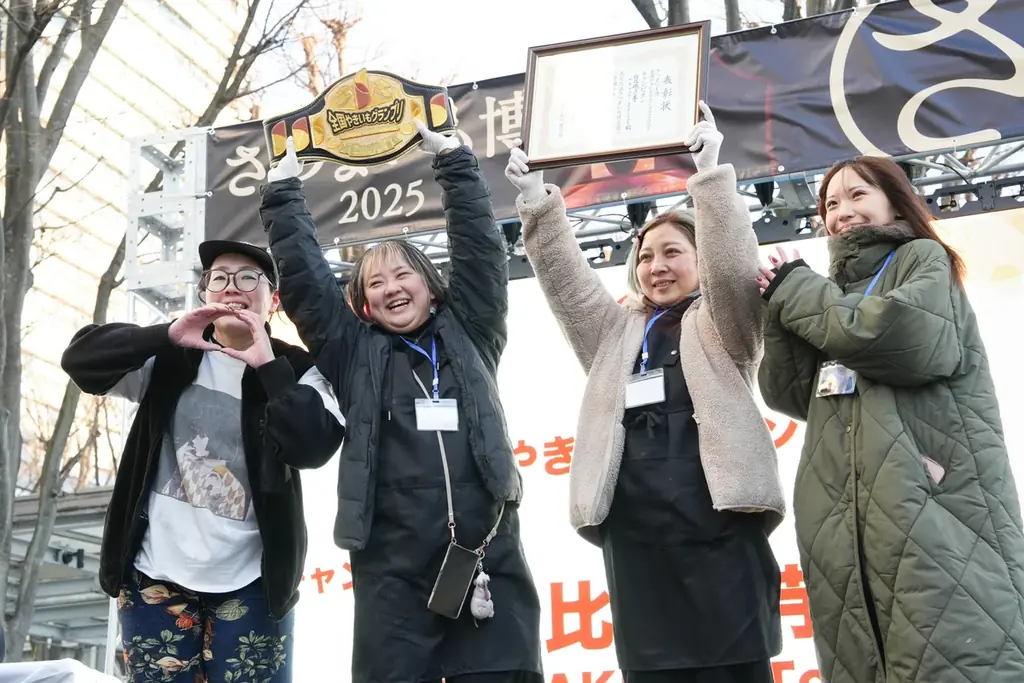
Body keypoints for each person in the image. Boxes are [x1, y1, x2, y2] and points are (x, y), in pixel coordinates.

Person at [506, 102, 785, 683]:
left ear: (700, 259)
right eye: (646, 256)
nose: (656, 266)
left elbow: (735, 268)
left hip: (721, 531)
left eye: (673, 253)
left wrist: (709, 177)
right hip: (637, 538)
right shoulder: (617, 332)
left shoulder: (724, 324)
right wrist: (536, 201)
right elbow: (568, 285)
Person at [259, 122, 543, 683]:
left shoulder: (473, 330)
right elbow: (308, 286)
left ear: (430, 283)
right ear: (363, 303)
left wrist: (457, 166)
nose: (390, 287)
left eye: (402, 272)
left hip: (487, 554)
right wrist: (282, 194)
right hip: (391, 570)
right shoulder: (351, 351)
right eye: (373, 282)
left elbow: (481, 252)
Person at [756, 156, 1024, 682]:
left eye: (858, 195)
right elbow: (790, 394)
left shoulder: (921, 259)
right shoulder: (830, 294)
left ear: (895, 200)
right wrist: (778, 309)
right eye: (830, 204)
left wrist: (799, 292)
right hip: (844, 514)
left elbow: (900, 340)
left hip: (931, 506)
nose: (842, 212)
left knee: (952, 657)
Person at [61, 239, 346, 682]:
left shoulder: (296, 368)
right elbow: (79, 360)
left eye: (249, 277)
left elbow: (313, 448)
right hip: (154, 576)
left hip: (252, 581)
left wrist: (268, 368)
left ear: (272, 299)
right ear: (205, 293)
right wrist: (166, 334)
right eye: (220, 277)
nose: (233, 286)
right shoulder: (170, 353)